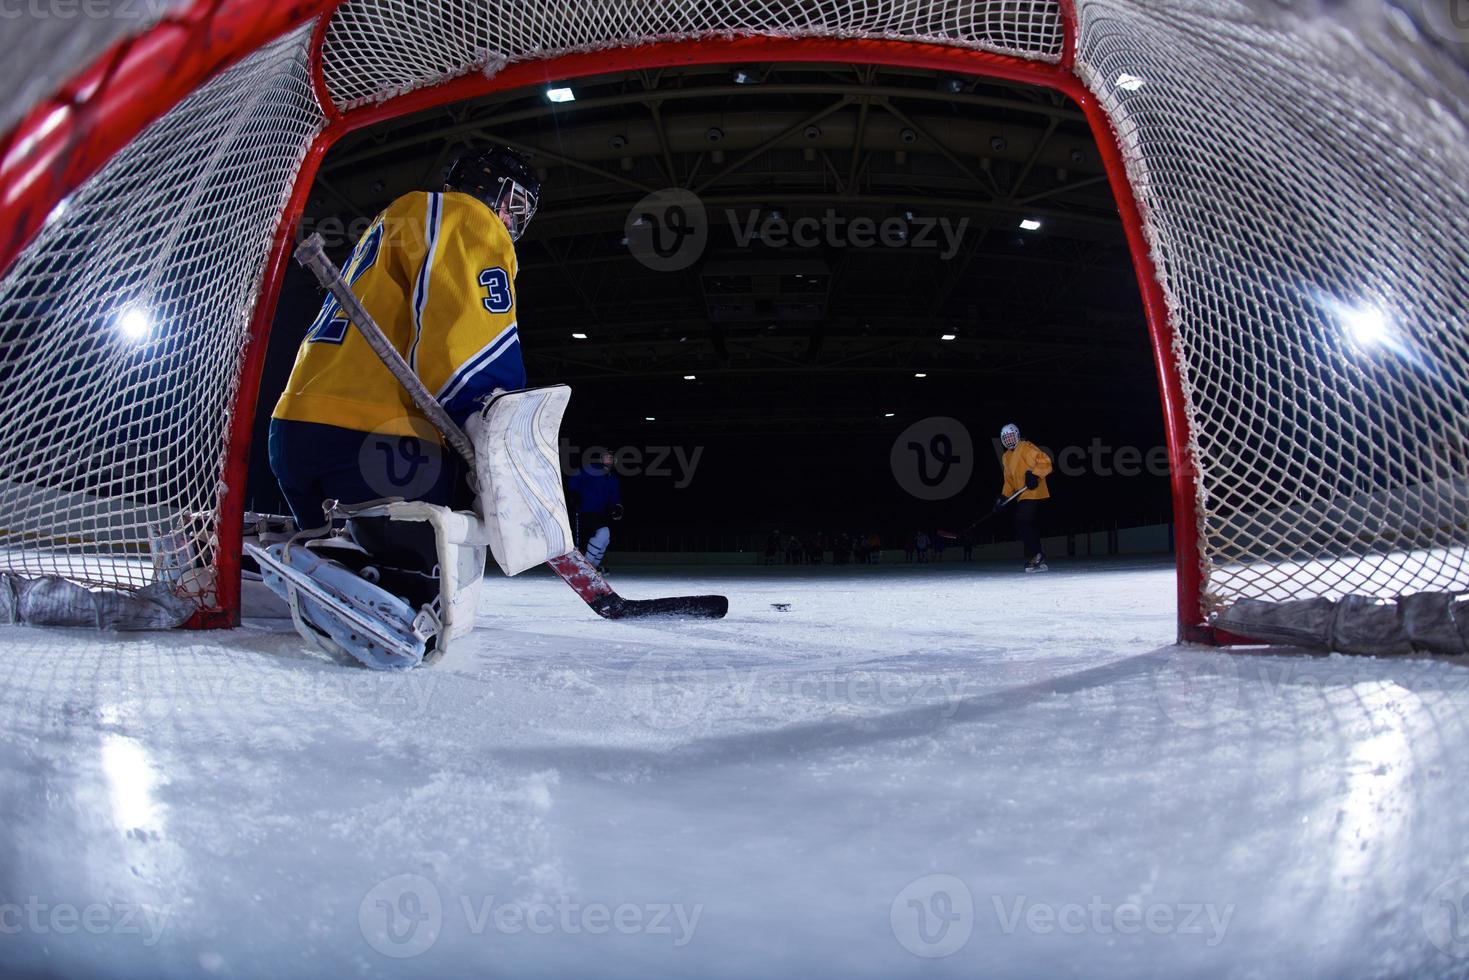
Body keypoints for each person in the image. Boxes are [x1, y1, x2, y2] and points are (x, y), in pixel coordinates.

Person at [270, 144, 540, 533]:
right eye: (512, 204)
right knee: (408, 587)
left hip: (294, 427)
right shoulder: (465, 215)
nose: (509, 220)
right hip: (380, 436)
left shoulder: (395, 219)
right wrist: (493, 419)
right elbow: (468, 342)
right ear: (485, 186)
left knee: (328, 575)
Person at [996, 422, 1053, 571]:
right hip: (1023, 494)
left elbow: (1045, 462)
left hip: (1033, 490)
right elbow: (1009, 481)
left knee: (1022, 520)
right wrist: (1002, 497)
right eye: (1005, 438)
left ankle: (1038, 555)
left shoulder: (1026, 447)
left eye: (1011, 436)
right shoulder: (1006, 456)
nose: (1009, 440)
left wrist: (1034, 475)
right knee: (1023, 523)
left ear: (1017, 435)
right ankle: (1038, 555)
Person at [567, 450, 623, 571]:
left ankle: (593, 566)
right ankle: (587, 564)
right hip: (585, 510)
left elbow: (614, 497)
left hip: (600, 513)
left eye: (611, 458)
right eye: (606, 457)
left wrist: (617, 507)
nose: (609, 459)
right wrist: (574, 493)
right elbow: (574, 478)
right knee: (603, 533)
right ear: (600, 459)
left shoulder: (612, 477)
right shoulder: (591, 469)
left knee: (605, 538)